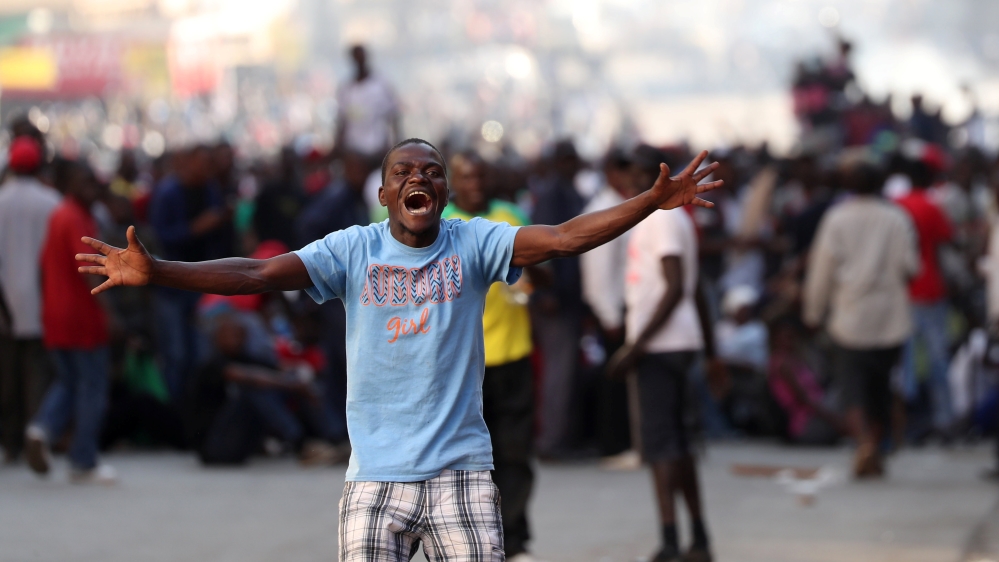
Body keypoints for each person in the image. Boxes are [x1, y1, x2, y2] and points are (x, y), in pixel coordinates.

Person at [75, 138, 721, 560]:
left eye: (431, 173)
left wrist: (651, 202)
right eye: (404, 173)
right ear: (385, 195)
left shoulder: (473, 243)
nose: (420, 178)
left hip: (460, 475)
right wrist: (159, 270)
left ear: (441, 194)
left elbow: (561, 239)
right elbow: (256, 274)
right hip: (374, 479)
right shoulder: (351, 251)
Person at [607, 151, 723, 562]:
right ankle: (698, 537)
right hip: (673, 341)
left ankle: (672, 540)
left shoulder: (663, 219)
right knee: (678, 444)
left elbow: (676, 287)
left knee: (661, 447)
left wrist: (634, 348)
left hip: (662, 345)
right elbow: (694, 290)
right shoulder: (662, 218)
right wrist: (711, 351)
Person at [442, 152, 536, 560]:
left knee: (514, 454)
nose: (475, 185)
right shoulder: (439, 223)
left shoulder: (509, 215)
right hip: (461, 363)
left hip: (511, 353)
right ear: (453, 184)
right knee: (468, 460)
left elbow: (537, 266)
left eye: (481, 177)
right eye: (466, 178)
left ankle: (514, 540)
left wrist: (537, 275)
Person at [803, 162, 918, 478]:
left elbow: (822, 271)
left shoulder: (837, 218)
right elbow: (910, 267)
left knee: (853, 390)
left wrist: (813, 311)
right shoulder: (896, 218)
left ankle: (864, 442)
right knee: (880, 389)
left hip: (850, 317)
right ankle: (875, 447)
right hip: (889, 318)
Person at [25, 160, 117, 484]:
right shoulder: (76, 218)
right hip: (82, 316)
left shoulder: (60, 214)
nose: (91, 188)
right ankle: (83, 459)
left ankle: (42, 428)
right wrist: (110, 313)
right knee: (92, 386)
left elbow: (42, 266)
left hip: (56, 313)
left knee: (68, 380)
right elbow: (90, 269)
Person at [149, 145, 232, 401]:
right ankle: (174, 413)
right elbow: (158, 238)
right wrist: (195, 228)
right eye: (203, 164)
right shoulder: (168, 193)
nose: (208, 170)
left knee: (200, 351)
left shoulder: (210, 190)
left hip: (201, 282)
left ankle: (194, 410)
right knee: (175, 353)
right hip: (171, 285)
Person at [0, 134, 61, 463]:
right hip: (41, 300)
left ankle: (10, 443)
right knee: (37, 373)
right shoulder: (51, 202)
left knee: (7, 376)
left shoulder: (1, 200)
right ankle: (34, 434)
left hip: (6, 303)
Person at [530, 139, 588, 457]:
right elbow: (542, 241)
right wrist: (545, 292)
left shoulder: (567, 190)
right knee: (558, 371)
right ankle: (553, 440)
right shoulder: (553, 192)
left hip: (568, 296)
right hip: (556, 297)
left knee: (564, 370)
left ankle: (562, 435)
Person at [580, 147, 637, 463]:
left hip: (622, 306)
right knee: (613, 381)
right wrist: (608, 314)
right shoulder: (602, 209)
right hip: (611, 308)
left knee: (620, 378)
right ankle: (613, 447)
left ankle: (622, 443)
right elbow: (598, 270)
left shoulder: (621, 205)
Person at [896, 158, 956, 438]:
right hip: (931, 289)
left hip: (903, 291)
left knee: (905, 361)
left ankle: (905, 418)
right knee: (937, 359)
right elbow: (948, 241)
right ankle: (943, 419)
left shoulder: (897, 205)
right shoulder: (932, 206)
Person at [335, 45, 400, 159]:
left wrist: (396, 144)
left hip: (377, 148)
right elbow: (342, 121)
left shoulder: (381, 85)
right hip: (353, 149)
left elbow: (393, 116)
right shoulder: (347, 88)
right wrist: (337, 146)